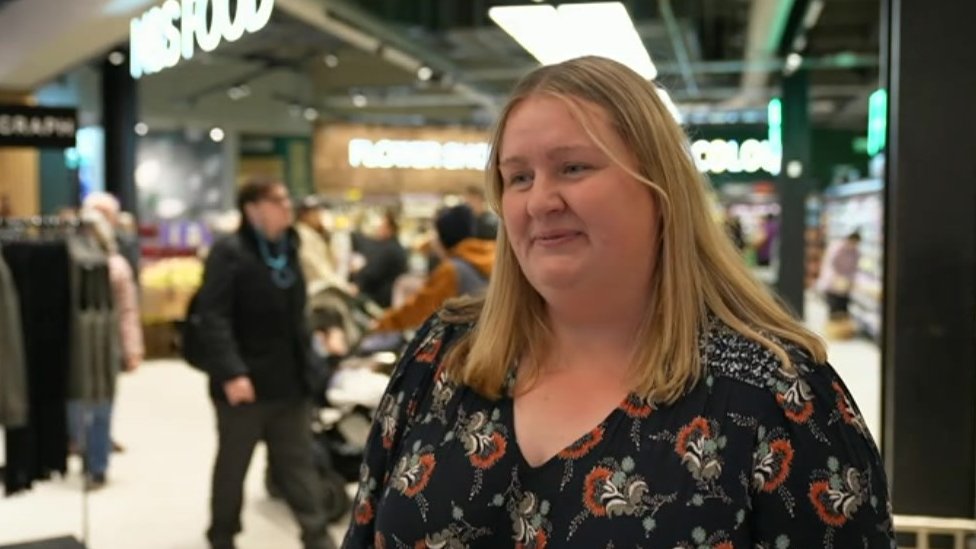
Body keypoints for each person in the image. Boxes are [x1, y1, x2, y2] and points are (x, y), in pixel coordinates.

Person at [342, 57, 893, 548]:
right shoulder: (443, 355)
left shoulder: (775, 397)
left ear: (659, 187)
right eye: (518, 177)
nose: (539, 201)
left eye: (573, 168)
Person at [195, 178, 334, 549]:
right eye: (278, 200)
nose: (287, 207)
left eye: (287, 199)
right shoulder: (229, 252)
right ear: (252, 208)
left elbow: (296, 315)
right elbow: (213, 317)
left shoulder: (289, 247)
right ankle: (222, 535)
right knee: (232, 467)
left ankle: (317, 537)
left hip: (290, 382)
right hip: (244, 386)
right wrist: (232, 372)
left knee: (299, 465)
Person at [68, 208, 143, 489]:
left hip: (105, 345)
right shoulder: (66, 264)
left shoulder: (116, 267)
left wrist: (132, 348)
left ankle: (97, 464)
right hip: (75, 346)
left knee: (101, 405)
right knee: (76, 404)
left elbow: (127, 311)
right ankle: (85, 453)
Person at [372, 204, 494, 332]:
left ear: (444, 237)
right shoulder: (487, 257)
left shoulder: (451, 270)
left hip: (469, 343)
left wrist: (383, 323)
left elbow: (419, 308)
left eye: (435, 233)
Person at [350, 210, 407, 308]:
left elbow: (372, 273)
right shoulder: (397, 247)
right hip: (389, 298)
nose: (378, 229)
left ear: (390, 229)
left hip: (380, 300)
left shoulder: (389, 249)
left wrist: (358, 285)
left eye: (381, 226)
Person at [294, 196, 347, 295]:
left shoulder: (318, 234)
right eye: (313, 212)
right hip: (317, 288)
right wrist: (340, 285)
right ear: (303, 215)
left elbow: (333, 262)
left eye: (319, 211)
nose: (318, 215)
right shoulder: (302, 234)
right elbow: (316, 264)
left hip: (327, 284)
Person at [817, 231, 862, 319]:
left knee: (844, 307)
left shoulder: (856, 252)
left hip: (846, 285)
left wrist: (850, 281)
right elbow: (829, 265)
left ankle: (843, 327)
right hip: (833, 284)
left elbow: (854, 269)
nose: (854, 245)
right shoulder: (836, 248)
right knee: (834, 308)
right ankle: (833, 328)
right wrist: (836, 278)